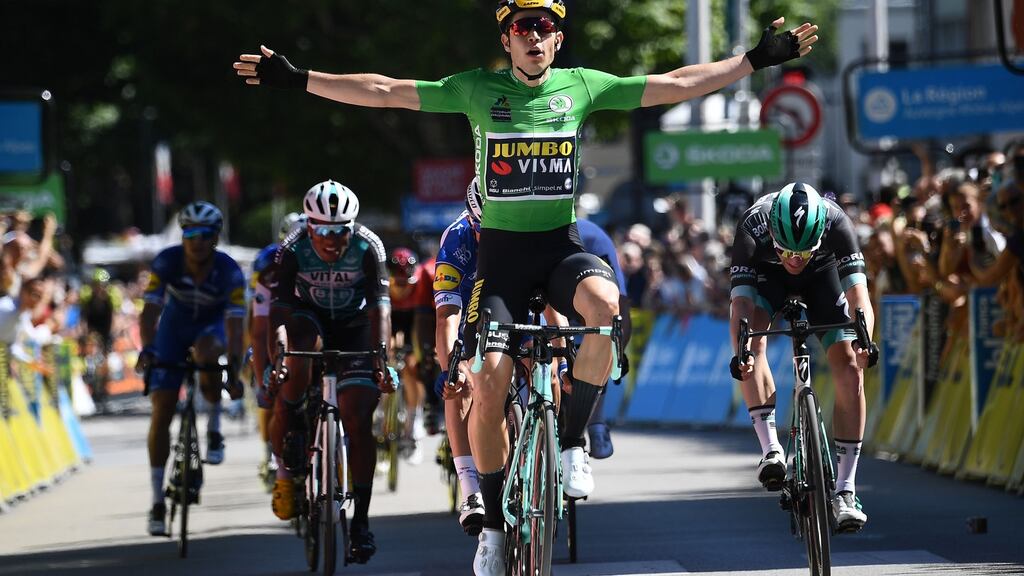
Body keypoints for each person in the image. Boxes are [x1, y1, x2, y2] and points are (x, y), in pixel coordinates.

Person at [235, 4, 818, 571]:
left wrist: (752, 60)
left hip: (561, 248)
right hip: (501, 260)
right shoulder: (475, 90)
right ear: (506, 40)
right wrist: (299, 79)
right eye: (522, 27)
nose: (534, 36)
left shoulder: (582, 85)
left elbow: (674, 83)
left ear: (558, 40)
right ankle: (490, 527)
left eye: (545, 27)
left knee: (606, 311)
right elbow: (385, 90)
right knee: (489, 386)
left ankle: (570, 445)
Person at [728, 182, 876, 533]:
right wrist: (741, 351)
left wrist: (865, 340)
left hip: (823, 276)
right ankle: (771, 450)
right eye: (787, 251)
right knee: (753, 343)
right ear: (773, 237)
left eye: (803, 251)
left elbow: (858, 296)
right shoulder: (752, 227)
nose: (795, 260)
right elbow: (742, 305)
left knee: (851, 367)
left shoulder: (837, 224)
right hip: (768, 277)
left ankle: (845, 489)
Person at [268, 180, 395, 564]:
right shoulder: (292, 248)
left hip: (356, 324)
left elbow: (381, 308)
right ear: (309, 227)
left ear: (351, 227)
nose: (331, 238)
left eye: (340, 230)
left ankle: (361, 522)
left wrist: (382, 359)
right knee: (295, 369)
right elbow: (279, 311)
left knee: (357, 417)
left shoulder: (368, 246)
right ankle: (287, 470)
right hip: (309, 320)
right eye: (322, 230)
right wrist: (279, 358)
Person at [134, 201, 246, 536]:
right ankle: (156, 501)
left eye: (204, 234)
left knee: (207, 351)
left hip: (211, 328)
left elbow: (236, 327)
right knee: (162, 410)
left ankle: (213, 428)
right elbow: (151, 310)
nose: (196, 241)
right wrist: (148, 348)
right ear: (183, 236)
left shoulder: (230, 271)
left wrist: (236, 372)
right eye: (189, 233)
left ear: (215, 238)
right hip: (174, 326)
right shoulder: (167, 260)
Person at [433, 177, 486, 536]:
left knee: (541, 359)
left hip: (513, 305)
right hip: (468, 313)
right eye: (484, 229)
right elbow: (446, 315)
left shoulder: (525, 227)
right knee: (460, 379)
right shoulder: (457, 238)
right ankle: (468, 485)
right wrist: (450, 365)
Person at [250, 211, 306, 487]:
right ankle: (270, 452)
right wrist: (263, 383)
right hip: (276, 325)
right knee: (272, 387)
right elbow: (259, 330)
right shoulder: (268, 265)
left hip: (308, 330)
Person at [387, 245, 435, 463]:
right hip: (391, 319)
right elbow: (384, 324)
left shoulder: (420, 285)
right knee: (384, 358)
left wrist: (416, 353)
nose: (403, 287)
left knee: (411, 366)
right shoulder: (385, 288)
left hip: (413, 323)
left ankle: (413, 420)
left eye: (407, 282)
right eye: (398, 283)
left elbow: (418, 328)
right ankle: (381, 413)